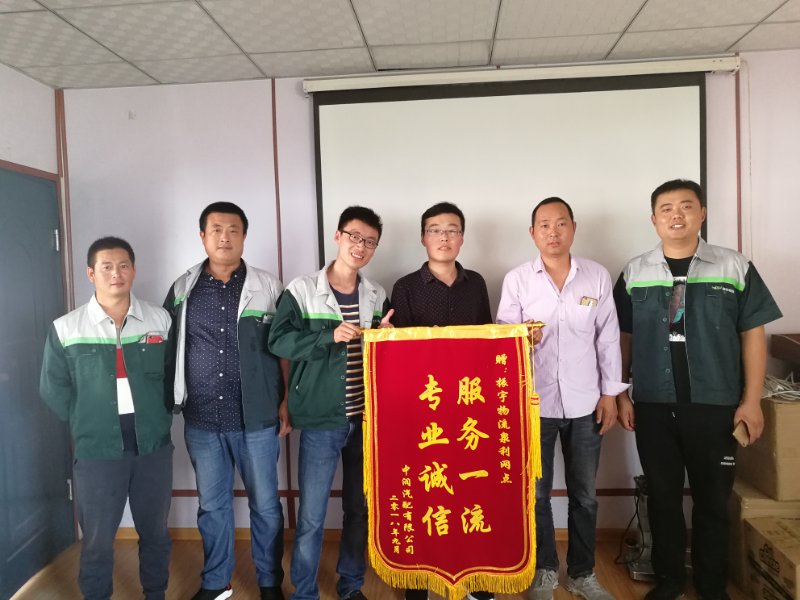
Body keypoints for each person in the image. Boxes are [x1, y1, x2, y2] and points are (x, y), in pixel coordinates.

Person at [613, 179, 782, 600]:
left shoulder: (734, 266)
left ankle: (711, 585)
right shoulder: (635, 271)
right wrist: (621, 393)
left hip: (716, 405)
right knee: (663, 498)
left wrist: (751, 401)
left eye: (686, 206)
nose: (676, 214)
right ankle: (669, 581)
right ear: (653, 219)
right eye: (666, 208)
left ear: (702, 213)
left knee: (713, 501)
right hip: (653, 404)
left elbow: (753, 335)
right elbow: (622, 338)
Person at [496, 198, 626, 600]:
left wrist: (610, 394)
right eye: (544, 225)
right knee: (536, 494)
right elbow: (501, 340)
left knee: (584, 494)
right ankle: (544, 570)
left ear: (573, 228)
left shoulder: (596, 276)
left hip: (587, 402)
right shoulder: (517, 280)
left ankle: (583, 573)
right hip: (534, 404)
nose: (553, 232)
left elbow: (608, 338)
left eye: (560, 223)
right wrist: (523, 336)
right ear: (532, 232)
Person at [165, 202, 290, 600]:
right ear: (203, 236)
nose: (225, 237)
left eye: (233, 229)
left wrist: (286, 401)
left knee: (266, 506)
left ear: (244, 236)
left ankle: (269, 582)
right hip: (202, 419)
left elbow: (284, 349)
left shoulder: (269, 287)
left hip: (257, 418)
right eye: (216, 229)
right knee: (212, 507)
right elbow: (168, 348)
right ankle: (216, 583)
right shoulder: (183, 288)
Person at [268, 206, 391, 600]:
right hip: (322, 419)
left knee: (359, 509)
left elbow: (386, 359)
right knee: (312, 514)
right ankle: (304, 592)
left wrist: (386, 338)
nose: (361, 246)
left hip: (366, 418)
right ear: (338, 236)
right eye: (355, 236)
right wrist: (327, 336)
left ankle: (351, 585)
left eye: (370, 241)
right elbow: (278, 341)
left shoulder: (376, 294)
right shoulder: (303, 289)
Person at [40, 236, 173, 600]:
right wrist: (85, 420)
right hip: (96, 449)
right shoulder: (67, 328)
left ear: (134, 270)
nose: (117, 274)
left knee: (156, 533)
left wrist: (161, 415)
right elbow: (53, 388)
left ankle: (156, 593)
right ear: (91, 274)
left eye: (124, 266)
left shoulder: (159, 320)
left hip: (153, 446)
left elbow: (172, 376)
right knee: (97, 540)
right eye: (107, 267)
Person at [391, 201, 493, 600]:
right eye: (435, 229)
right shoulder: (405, 287)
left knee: (469, 491)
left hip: (468, 407)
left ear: (462, 237)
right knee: (425, 493)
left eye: (452, 230)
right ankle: (419, 581)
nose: (444, 237)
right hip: (424, 408)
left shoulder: (477, 283)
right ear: (423, 238)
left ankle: (470, 578)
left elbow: (487, 341)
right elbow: (397, 351)